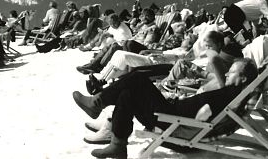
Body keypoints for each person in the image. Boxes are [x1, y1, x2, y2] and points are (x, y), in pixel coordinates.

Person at [72, 58, 258, 159]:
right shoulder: (231, 94)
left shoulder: (230, 95)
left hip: (171, 122)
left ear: (242, 79)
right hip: (172, 113)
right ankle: (117, 145)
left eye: (232, 71)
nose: (227, 73)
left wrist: (186, 111)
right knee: (128, 93)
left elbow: (203, 117)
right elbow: (204, 110)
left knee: (137, 79)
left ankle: (97, 103)